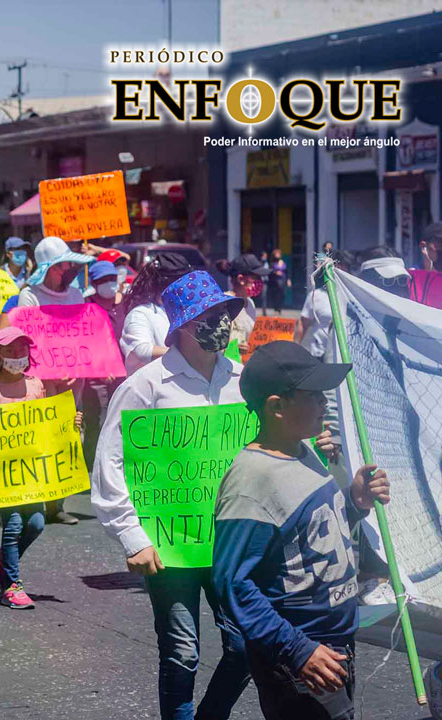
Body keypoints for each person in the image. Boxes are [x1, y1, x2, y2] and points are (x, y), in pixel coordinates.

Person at [91, 269, 251, 720]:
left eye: (224, 311)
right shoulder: (144, 387)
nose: (221, 321)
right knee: (182, 652)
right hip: (169, 547)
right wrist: (132, 537)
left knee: (244, 645)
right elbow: (110, 464)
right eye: (210, 313)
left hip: (229, 543)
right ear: (183, 324)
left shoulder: (243, 382)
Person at [213, 341, 390, 720]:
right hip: (299, 656)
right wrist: (298, 650)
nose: (324, 402)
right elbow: (232, 583)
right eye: (313, 395)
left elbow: (313, 532)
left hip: (332, 645)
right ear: (276, 406)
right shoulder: (251, 481)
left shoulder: (302, 449)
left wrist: (354, 502)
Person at [0, 327, 82, 609]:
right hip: (2, 475)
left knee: (36, 523)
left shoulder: (36, 385)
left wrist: (70, 424)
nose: (16, 355)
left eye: (22, 350)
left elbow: (48, 424)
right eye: (10, 350)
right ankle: (12, 585)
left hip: (32, 472)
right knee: (12, 525)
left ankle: (3, 557)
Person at [15, 236, 92, 524]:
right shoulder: (30, 296)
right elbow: (28, 340)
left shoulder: (75, 294)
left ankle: (57, 503)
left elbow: (83, 335)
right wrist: (49, 368)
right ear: (49, 268)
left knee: (71, 435)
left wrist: (78, 366)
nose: (70, 268)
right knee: (42, 437)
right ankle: (38, 499)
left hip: (73, 380)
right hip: (42, 380)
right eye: (63, 264)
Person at [80, 260, 126, 472]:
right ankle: (91, 465)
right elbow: (82, 343)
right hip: (94, 379)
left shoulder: (124, 304)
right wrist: (98, 370)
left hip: (122, 376)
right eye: (104, 280)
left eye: (112, 279)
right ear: (95, 284)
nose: (109, 284)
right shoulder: (86, 307)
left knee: (118, 422)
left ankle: (112, 463)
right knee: (95, 422)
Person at [119, 252, 191, 375]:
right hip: (149, 390)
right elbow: (142, 351)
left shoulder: (186, 311)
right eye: (183, 282)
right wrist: (190, 355)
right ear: (166, 283)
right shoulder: (140, 314)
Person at [295, 251, 354, 359]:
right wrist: (293, 349)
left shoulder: (352, 297)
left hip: (346, 357)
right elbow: (303, 324)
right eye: (338, 267)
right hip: (319, 355)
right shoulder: (315, 296)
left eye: (346, 268)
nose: (342, 271)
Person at [17, 236, 91, 307]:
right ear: (54, 267)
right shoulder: (30, 296)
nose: (72, 266)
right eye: (68, 262)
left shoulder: (76, 295)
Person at [221, 253, 269, 350]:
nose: (260, 281)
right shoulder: (224, 304)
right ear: (241, 279)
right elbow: (217, 344)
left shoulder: (250, 304)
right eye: (256, 277)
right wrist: (233, 347)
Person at [266, 247, 289, 313]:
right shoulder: (272, 263)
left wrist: (288, 279)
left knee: (282, 294)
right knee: (275, 294)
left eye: (278, 254)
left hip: (283, 280)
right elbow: (270, 271)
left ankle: (280, 307)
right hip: (275, 281)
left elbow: (287, 271)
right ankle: (276, 308)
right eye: (276, 254)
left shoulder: (283, 263)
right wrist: (275, 272)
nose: (277, 255)